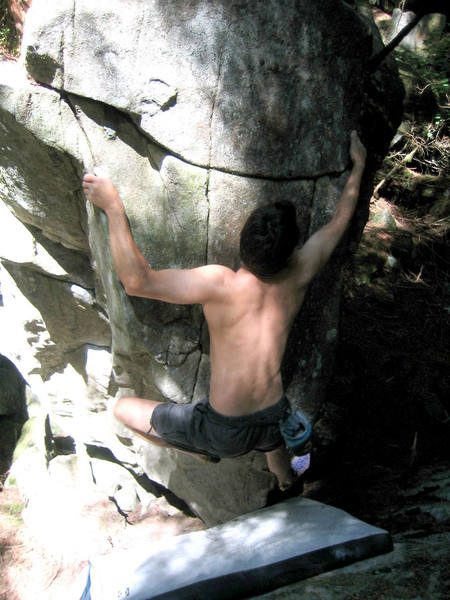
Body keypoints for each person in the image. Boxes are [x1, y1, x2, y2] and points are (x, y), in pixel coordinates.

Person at [82, 130, 367, 491]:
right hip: (275, 417)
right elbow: (339, 222)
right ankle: (286, 481)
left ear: (243, 242)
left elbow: (138, 281)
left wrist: (112, 206)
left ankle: (197, 451)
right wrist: (358, 165)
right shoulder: (299, 272)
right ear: (289, 253)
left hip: (223, 430)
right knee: (272, 444)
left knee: (123, 410)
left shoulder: (221, 284)